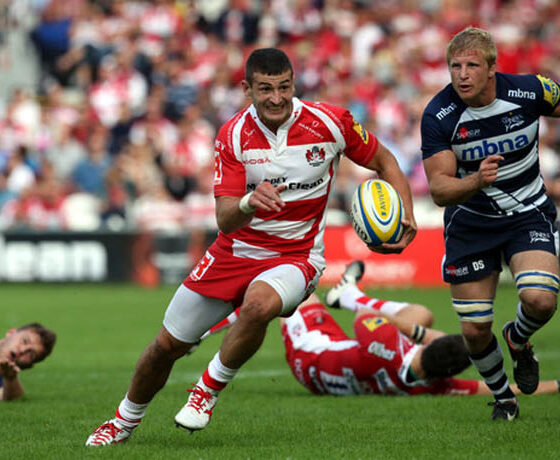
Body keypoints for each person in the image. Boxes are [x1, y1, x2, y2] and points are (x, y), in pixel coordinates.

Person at [85, 47, 417, 446]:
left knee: (259, 305)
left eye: (284, 87)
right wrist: (248, 201)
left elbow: (386, 162)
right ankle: (122, 422)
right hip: (235, 251)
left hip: (297, 255)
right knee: (166, 345)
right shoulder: (233, 135)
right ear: (247, 89)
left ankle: (206, 390)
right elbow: (225, 219)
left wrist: (407, 215)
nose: (277, 98)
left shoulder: (332, 122)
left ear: (293, 83)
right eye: (265, 89)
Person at [420, 26, 560, 420]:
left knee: (541, 299)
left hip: (527, 212)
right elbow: (439, 189)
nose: (462, 75)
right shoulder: (439, 115)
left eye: (472, 66)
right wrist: (475, 181)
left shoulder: (531, 90)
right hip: (471, 222)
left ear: (492, 68)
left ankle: (517, 339)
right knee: (475, 329)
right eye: (455, 66)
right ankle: (504, 399)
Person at [206, 261, 560, 397]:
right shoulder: (435, 385)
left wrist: (419, 335)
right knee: (422, 314)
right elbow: (497, 387)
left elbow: (365, 319)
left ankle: (204, 330)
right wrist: (556, 386)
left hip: (310, 352)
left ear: (428, 347)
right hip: (324, 380)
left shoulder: (386, 342)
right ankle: (346, 294)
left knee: (284, 290)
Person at [0, 323, 57, 401]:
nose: (22, 350)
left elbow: (9, 398)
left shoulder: (5, 378)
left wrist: (10, 378)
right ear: (11, 333)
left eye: (30, 354)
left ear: (28, 366)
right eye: (24, 341)